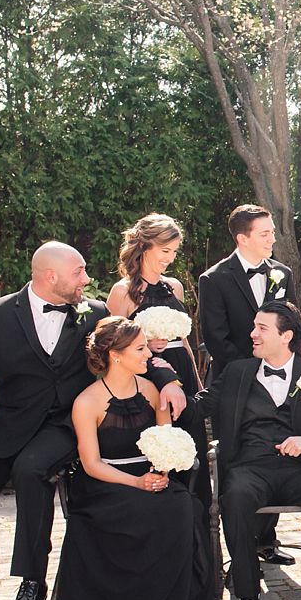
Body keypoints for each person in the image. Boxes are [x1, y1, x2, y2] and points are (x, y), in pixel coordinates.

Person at [0, 242, 186, 600]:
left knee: (32, 471)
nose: (87, 279)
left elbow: (130, 350)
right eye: (79, 272)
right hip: (7, 429)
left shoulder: (94, 313)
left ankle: (31, 583)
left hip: (64, 426)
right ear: (50, 276)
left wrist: (169, 380)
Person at [194, 301, 301, 600]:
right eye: (254, 327)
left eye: (261, 328)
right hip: (249, 467)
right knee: (234, 497)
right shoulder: (237, 372)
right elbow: (200, 406)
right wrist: (165, 382)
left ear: (286, 335)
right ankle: (247, 595)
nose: (252, 334)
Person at [55, 317, 211, 600]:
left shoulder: (152, 390)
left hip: (150, 472)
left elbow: (166, 439)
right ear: (116, 354)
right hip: (105, 481)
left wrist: (160, 471)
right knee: (136, 506)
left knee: (181, 505)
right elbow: (91, 463)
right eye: (140, 349)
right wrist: (136, 482)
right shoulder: (87, 402)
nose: (148, 357)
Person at [196, 203, 299, 566]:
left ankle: (267, 539)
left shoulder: (282, 273)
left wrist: (281, 362)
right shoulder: (214, 279)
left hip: (279, 378)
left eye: (272, 231)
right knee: (235, 455)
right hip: (233, 380)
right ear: (242, 238)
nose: (273, 238)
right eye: (265, 233)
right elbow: (215, 337)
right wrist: (253, 366)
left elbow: (293, 325)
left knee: (275, 447)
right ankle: (239, 546)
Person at [104, 213, 210, 508]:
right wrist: (144, 345)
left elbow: (185, 340)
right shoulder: (122, 292)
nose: (170, 258)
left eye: (174, 252)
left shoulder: (173, 286)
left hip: (181, 372)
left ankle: (197, 536)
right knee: (161, 449)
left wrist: (196, 385)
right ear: (145, 247)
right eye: (165, 251)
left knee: (191, 448)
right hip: (145, 376)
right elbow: (112, 346)